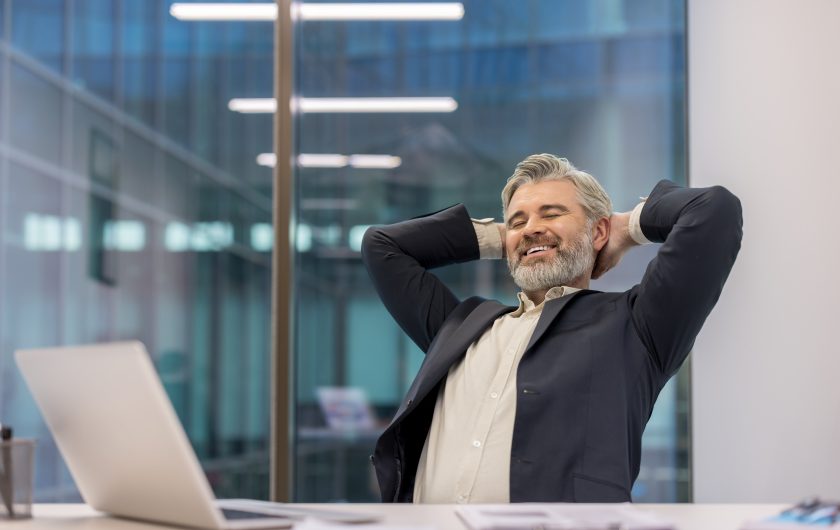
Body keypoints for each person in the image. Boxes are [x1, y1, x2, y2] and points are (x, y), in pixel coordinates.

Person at [361, 153, 742, 503]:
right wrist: (507, 238)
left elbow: (714, 211)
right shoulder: (460, 325)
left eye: (551, 213)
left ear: (597, 233)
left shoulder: (637, 324)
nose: (531, 228)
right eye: (519, 219)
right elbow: (382, 246)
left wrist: (623, 229)